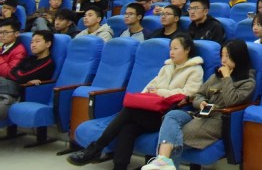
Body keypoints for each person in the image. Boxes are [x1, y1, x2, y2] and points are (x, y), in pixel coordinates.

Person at [68, 36, 204, 170]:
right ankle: (119, 167)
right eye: (170, 49)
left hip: (169, 116)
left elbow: (189, 93)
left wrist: (159, 92)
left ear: (187, 50)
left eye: (175, 48)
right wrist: (147, 96)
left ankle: (95, 149)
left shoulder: (195, 69)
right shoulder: (166, 67)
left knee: (129, 111)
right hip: (152, 112)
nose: (171, 52)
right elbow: (149, 87)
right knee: (128, 129)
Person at [139, 40, 255, 170]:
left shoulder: (247, 82)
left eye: (227, 56)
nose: (223, 60)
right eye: (222, 55)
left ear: (238, 57)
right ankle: (163, 161)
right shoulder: (216, 76)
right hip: (199, 114)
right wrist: (200, 102)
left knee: (173, 136)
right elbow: (199, 94)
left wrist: (227, 78)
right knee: (172, 115)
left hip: (217, 121)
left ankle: (163, 162)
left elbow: (231, 101)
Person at [0, 28, 56, 119]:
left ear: (48, 44)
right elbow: (13, 71)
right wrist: (18, 74)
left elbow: (21, 76)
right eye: (31, 42)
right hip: (9, 86)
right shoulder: (30, 58)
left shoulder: (47, 63)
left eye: (37, 41)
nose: (33, 45)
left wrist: (18, 74)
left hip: (21, 90)